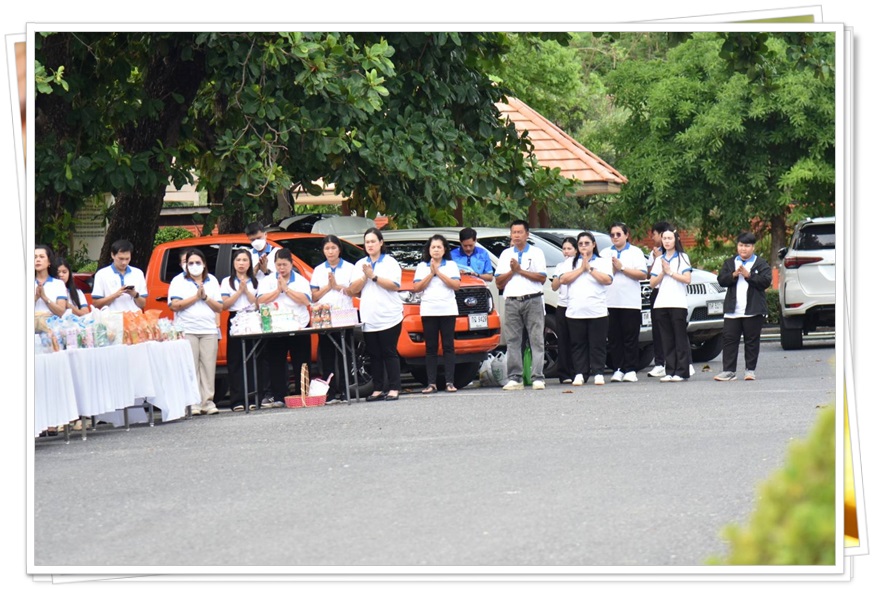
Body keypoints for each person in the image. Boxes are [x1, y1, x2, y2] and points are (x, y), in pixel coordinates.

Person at [347, 228, 404, 401]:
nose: (370, 245)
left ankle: (394, 388)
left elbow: (395, 285)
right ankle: (378, 389)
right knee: (374, 354)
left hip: (389, 316)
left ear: (381, 243)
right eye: (367, 242)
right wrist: (365, 277)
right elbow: (353, 290)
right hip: (369, 317)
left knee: (389, 352)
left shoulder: (390, 262)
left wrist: (374, 276)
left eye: (373, 241)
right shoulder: (360, 264)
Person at [168, 249, 224, 415]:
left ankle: (207, 402)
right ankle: (193, 403)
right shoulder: (178, 281)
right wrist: (196, 297)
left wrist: (205, 297)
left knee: (208, 366)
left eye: (197, 262)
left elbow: (219, 307)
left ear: (204, 264)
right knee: (190, 367)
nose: (194, 266)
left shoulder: (212, 280)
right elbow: (174, 305)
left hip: (208, 329)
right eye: (190, 263)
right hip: (187, 329)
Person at [494, 220, 547, 391]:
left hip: (533, 299)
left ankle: (538, 376)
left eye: (520, 232)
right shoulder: (505, 254)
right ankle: (515, 377)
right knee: (513, 341)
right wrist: (512, 271)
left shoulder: (536, 252)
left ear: (527, 234)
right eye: (514, 232)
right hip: (512, 300)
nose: (516, 235)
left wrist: (520, 270)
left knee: (536, 339)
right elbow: (499, 282)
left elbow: (542, 277)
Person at [256, 248, 313, 407]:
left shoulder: (300, 280)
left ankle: (303, 394)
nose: (281, 268)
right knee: (276, 363)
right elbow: (260, 300)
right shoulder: (267, 281)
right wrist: (278, 290)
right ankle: (279, 396)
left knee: (301, 362)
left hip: (299, 326)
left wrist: (286, 289)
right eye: (278, 265)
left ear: (291, 264)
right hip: (276, 328)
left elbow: (305, 301)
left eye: (284, 265)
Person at [714, 232, 773, 382]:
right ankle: (729, 371)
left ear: (753, 247)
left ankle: (750, 371)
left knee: (751, 341)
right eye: (741, 245)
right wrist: (733, 275)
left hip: (753, 309)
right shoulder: (730, 262)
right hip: (732, 310)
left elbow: (766, 282)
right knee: (729, 340)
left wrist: (749, 275)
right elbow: (721, 280)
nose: (743, 249)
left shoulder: (761, 263)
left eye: (747, 246)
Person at [560, 231, 613, 386]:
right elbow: (563, 279)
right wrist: (581, 269)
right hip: (575, 311)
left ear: (593, 245)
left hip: (597, 311)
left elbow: (607, 280)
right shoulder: (570, 262)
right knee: (578, 345)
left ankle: (598, 372)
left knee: (598, 344)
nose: (583, 246)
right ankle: (580, 373)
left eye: (587, 243)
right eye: (581, 244)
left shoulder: (602, 262)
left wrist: (589, 269)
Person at [310, 235, 357, 404]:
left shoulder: (350, 268)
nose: (330, 252)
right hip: (325, 318)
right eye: (327, 248)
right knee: (327, 354)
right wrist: (328, 287)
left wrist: (337, 287)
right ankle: (329, 392)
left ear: (339, 249)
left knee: (346, 354)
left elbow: (354, 291)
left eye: (333, 248)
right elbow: (314, 296)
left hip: (344, 316)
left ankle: (346, 390)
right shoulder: (318, 270)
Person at [412, 234, 461, 393]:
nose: (436, 250)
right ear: (429, 250)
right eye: (433, 247)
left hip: (448, 310)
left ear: (444, 249)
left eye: (439, 247)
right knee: (431, 348)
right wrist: (431, 274)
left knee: (448, 346)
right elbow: (417, 288)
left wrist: (438, 273)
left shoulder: (451, 265)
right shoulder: (422, 266)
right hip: (429, 310)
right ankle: (431, 383)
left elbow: (456, 285)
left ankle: (450, 382)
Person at [605, 223, 648, 383]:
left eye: (618, 234)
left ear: (626, 235)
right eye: (612, 235)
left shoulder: (635, 252)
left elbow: (642, 274)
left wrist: (622, 268)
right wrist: (613, 270)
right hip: (611, 301)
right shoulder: (605, 253)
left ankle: (630, 369)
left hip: (630, 302)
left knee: (630, 337)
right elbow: (602, 275)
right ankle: (618, 368)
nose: (615, 237)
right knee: (614, 338)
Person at [648, 227, 693, 382]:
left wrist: (671, 272)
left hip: (678, 302)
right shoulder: (659, 260)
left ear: (676, 240)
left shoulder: (682, 257)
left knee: (679, 337)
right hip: (661, 303)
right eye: (664, 238)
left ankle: (682, 371)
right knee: (666, 338)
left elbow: (687, 279)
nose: (667, 241)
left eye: (669, 238)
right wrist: (662, 271)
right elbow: (652, 283)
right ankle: (670, 370)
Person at [220, 249, 259, 412]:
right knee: (235, 360)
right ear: (233, 263)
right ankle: (237, 400)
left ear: (250, 263)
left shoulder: (256, 281)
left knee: (253, 359)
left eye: (245, 260)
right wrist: (239, 292)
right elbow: (225, 304)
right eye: (238, 260)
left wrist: (247, 291)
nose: (241, 263)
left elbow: (258, 303)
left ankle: (253, 397)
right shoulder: (227, 281)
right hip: (235, 318)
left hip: (252, 318)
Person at [91, 239, 147, 313]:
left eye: (127, 259)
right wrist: (115, 295)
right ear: (112, 255)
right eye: (121, 259)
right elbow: (96, 304)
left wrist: (135, 294)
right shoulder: (102, 274)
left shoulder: (138, 273)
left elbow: (143, 304)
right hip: (111, 317)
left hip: (133, 317)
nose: (124, 262)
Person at [645, 221, 671, 377]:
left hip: (672, 293)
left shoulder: (676, 253)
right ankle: (660, 363)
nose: (652, 238)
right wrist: (656, 259)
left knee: (675, 328)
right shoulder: (654, 253)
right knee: (658, 328)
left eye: (654, 234)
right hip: (657, 292)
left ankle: (681, 362)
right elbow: (650, 275)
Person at [551, 237, 578, 385]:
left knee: (576, 339)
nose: (566, 252)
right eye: (564, 249)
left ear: (576, 250)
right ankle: (564, 372)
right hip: (562, 305)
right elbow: (554, 286)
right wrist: (560, 275)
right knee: (563, 339)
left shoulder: (579, 265)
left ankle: (577, 370)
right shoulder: (560, 266)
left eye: (569, 249)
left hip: (576, 305)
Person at [34, 245, 68, 318]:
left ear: (49, 261)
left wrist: (44, 297)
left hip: (51, 324)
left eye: (41, 257)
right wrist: (36, 297)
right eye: (35, 257)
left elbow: (61, 312)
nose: (38, 260)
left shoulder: (58, 284)